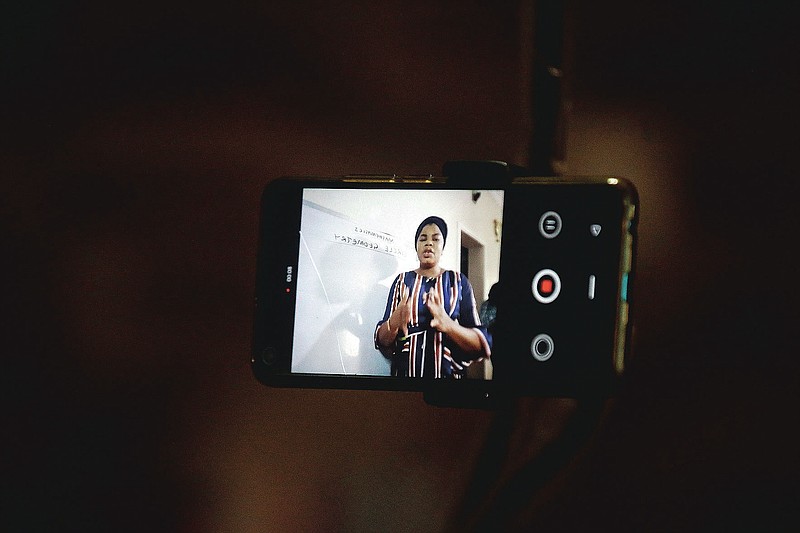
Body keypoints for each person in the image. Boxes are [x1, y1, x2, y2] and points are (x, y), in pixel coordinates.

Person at [374, 216, 491, 378]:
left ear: (442, 248)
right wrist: (393, 323)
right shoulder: (402, 281)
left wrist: (448, 324)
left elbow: (481, 344)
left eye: (436, 239)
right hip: (405, 380)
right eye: (423, 239)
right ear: (416, 247)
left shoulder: (458, 281)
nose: (429, 243)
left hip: (448, 382)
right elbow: (382, 341)